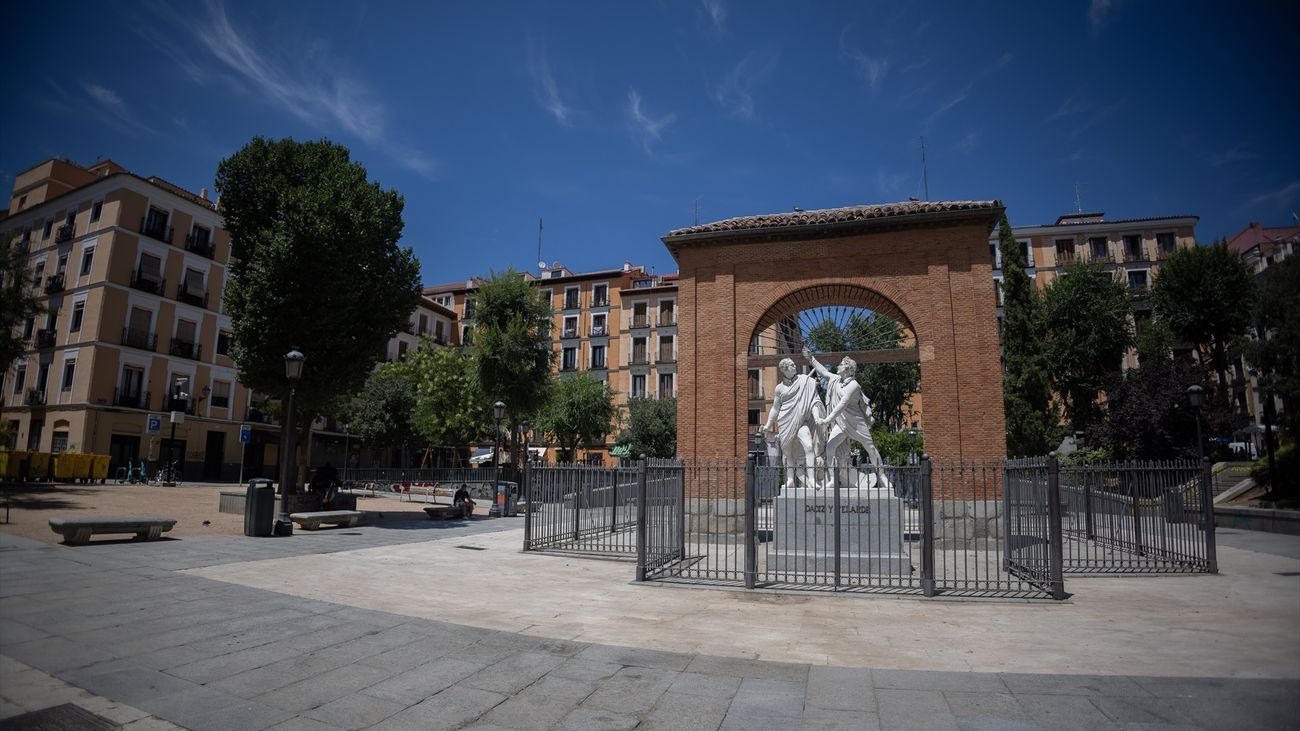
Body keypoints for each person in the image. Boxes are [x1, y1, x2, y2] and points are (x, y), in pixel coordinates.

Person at [805, 348, 891, 490]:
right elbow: (824, 372)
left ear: (847, 369)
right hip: (841, 423)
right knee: (830, 448)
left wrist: (826, 420)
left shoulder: (853, 385)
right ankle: (833, 480)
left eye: (841, 365)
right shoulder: (836, 380)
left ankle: (882, 477)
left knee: (870, 448)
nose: (838, 367)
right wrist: (811, 359)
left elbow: (841, 405)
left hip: (856, 422)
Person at [763, 357, 827, 490]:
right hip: (785, 421)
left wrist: (816, 416)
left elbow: (813, 401)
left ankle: (812, 479)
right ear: (784, 370)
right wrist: (768, 425)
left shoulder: (804, 380)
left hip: (801, 422)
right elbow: (775, 408)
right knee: (787, 453)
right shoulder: (779, 388)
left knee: (809, 446)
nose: (795, 366)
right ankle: (790, 479)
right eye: (792, 365)